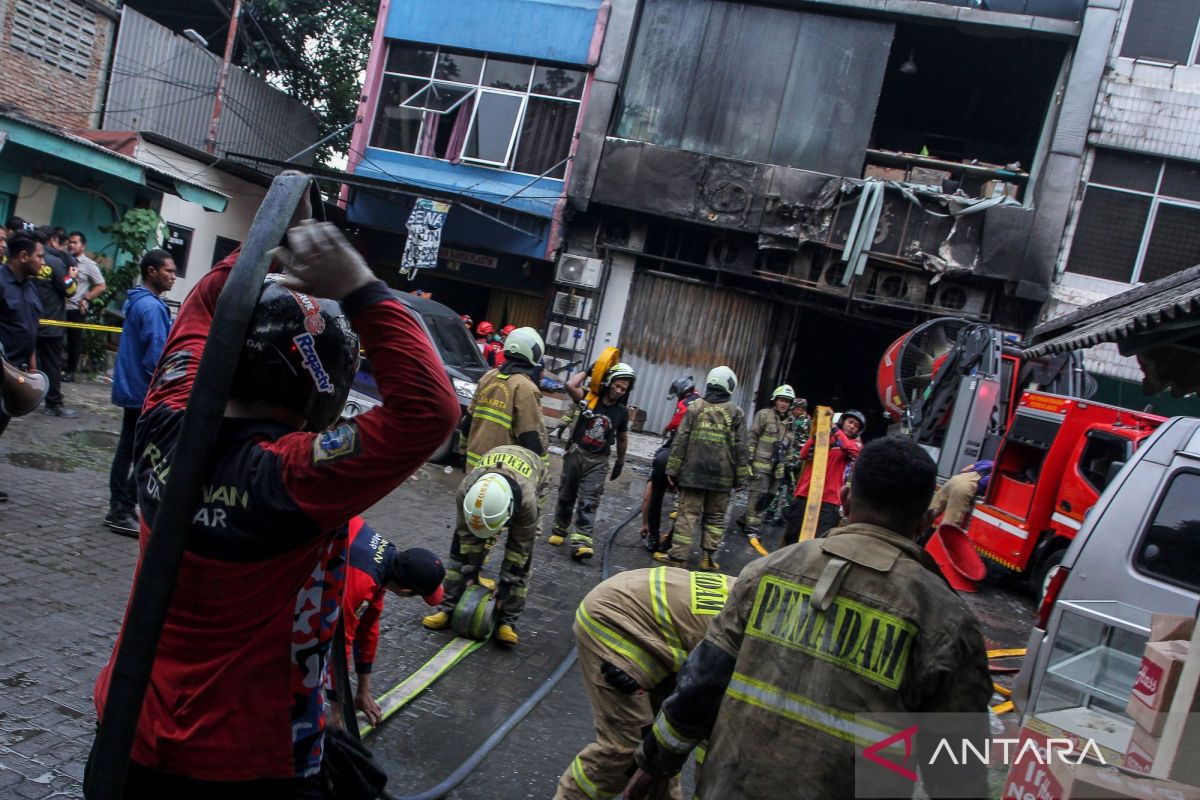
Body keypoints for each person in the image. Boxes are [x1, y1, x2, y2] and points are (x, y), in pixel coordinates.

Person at [91, 218, 460, 797]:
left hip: (126, 726)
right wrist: (359, 286)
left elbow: (204, 305)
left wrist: (269, 236)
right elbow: (430, 412)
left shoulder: (162, 423)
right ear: (326, 385)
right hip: (246, 758)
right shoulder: (295, 474)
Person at [623, 437, 993, 800]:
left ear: (846, 500)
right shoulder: (946, 621)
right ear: (926, 520)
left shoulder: (766, 572)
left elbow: (702, 684)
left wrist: (656, 763)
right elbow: (957, 773)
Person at [555, 566, 734, 800]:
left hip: (645, 609)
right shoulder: (749, 649)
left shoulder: (755, 591)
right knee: (626, 752)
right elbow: (711, 743)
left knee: (660, 744)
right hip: (615, 618)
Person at [423, 443, 550, 648]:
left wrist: (506, 586)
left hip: (534, 478)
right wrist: (470, 572)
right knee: (458, 559)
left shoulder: (527, 502)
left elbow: (519, 549)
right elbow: (466, 538)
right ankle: (447, 608)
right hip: (494, 474)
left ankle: (507, 622)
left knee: (521, 562)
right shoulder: (466, 492)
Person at [339, 516, 446, 725]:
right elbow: (339, 647)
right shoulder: (361, 583)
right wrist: (337, 713)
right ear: (405, 591)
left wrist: (363, 691)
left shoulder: (385, 560)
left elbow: (368, 629)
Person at [104, 250, 176, 535]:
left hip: (131, 388)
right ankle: (122, 508)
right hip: (144, 391)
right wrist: (164, 389)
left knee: (128, 450)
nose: (172, 276)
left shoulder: (138, 301)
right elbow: (156, 356)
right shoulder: (152, 308)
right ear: (151, 271)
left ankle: (118, 508)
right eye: (168, 271)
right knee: (148, 453)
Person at [655, 366, 750, 571]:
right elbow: (742, 448)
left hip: (692, 475)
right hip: (722, 479)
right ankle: (708, 558)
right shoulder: (736, 412)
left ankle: (678, 558)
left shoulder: (695, 407)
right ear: (729, 386)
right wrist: (741, 478)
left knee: (687, 514)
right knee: (715, 518)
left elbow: (681, 440)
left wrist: (672, 469)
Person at [551, 362, 634, 561]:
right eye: (617, 385)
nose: (619, 391)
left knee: (589, 500)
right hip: (576, 454)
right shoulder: (589, 397)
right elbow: (571, 385)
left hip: (598, 461)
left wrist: (620, 462)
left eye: (624, 389)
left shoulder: (622, 412)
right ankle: (560, 529)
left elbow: (622, 438)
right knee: (566, 494)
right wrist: (589, 371)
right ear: (608, 382)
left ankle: (582, 542)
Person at [462, 326, 548, 471]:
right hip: (501, 472)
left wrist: (463, 451)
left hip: (474, 467)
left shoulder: (488, 377)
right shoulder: (526, 387)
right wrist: (541, 469)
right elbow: (530, 436)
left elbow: (468, 421)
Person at [783, 408, 865, 543]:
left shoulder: (855, 445)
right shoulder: (824, 436)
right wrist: (817, 435)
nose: (852, 427)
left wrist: (832, 427)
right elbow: (803, 454)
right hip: (806, 492)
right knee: (792, 534)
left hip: (830, 499)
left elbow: (851, 450)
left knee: (819, 541)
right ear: (843, 421)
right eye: (850, 422)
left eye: (856, 426)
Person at [639, 376, 700, 553]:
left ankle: (653, 538)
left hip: (675, 454)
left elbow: (678, 419)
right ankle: (670, 542)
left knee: (656, 493)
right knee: (687, 504)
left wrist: (667, 427)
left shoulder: (686, 402)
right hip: (695, 458)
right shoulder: (703, 402)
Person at [738, 385, 796, 547]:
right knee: (758, 495)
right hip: (760, 466)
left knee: (768, 498)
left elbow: (790, 445)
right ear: (775, 400)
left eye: (787, 401)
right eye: (781, 400)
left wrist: (789, 465)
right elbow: (752, 437)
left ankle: (746, 519)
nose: (784, 404)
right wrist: (748, 460)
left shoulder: (790, 422)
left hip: (777, 470)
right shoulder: (763, 415)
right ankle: (752, 529)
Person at [0, 233, 43, 447]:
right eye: (39, 256)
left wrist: (32, 370)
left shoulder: (30, 287)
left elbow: (30, 330)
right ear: (24, 256)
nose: (42, 262)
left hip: (16, 376)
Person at [32, 227, 77, 417]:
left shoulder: (23, 258)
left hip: (28, 321)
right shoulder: (55, 263)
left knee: (21, 361)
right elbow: (70, 290)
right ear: (52, 241)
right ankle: (53, 404)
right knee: (52, 364)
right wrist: (72, 277)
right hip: (51, 324)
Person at [62, 231, 107, 381]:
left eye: (75, 242)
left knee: (74, 342)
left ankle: (70, 372)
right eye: (69, 242)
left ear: (83, 246)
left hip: (76, 308)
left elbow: (101, 285)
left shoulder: (88, 265)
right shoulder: (62, 259)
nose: (71, 245)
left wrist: (86, 298)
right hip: (59, 307)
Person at [765, 397, 810, 524]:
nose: (792, 411)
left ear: (800, 409)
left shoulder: (797, 422)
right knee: (791, 488)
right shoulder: (809, 422)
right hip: (797, 460)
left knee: (780, 485)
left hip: (792, 459)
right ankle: (785, 515)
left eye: (795, 408)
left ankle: (772, 512)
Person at [928, 459, 993, 531]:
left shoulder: (987, 462)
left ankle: (916, 533)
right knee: (950, 524)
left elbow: (964, 470)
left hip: (955, 480)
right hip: (965, 487)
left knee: (933, 510)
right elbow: (982, 484)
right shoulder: (996, 473)